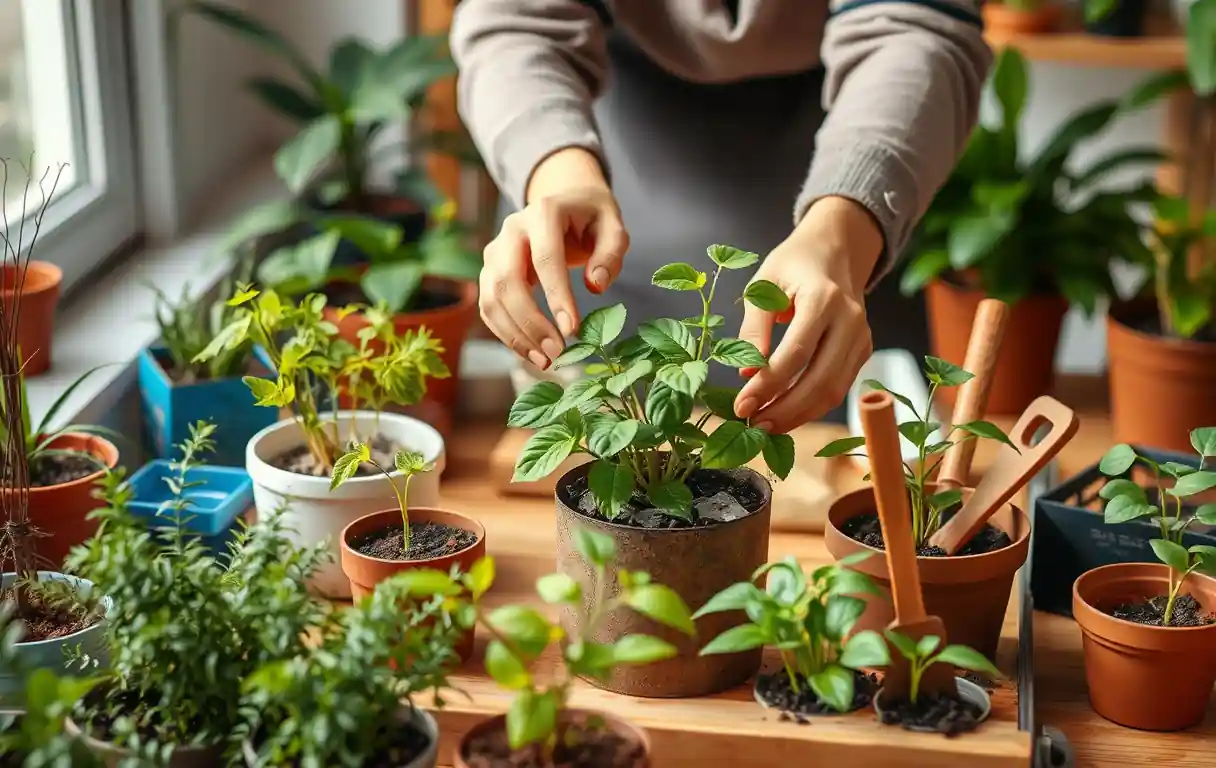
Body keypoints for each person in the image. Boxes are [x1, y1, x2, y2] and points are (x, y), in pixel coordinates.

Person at [451, 0, 991, 433]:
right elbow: (514, 19)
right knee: (600, 441)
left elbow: (915, 27)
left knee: (836, 425)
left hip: (852, 161)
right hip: (599, 149)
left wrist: (842, 238)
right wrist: (557, 171)